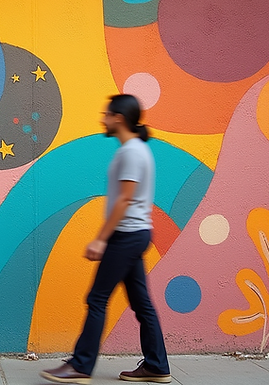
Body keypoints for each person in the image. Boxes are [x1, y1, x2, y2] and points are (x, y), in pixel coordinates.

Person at [40, 94, 171, 384]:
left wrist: (101, 239)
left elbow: (124, 199)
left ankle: (80, 366)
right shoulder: (136, 150)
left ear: (119, 119)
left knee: (97, 298)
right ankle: (157, 366)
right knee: (142, 304)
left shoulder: (131, 152)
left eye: (107, 115)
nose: (103, 119)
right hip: (135, 234)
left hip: (126, 235)